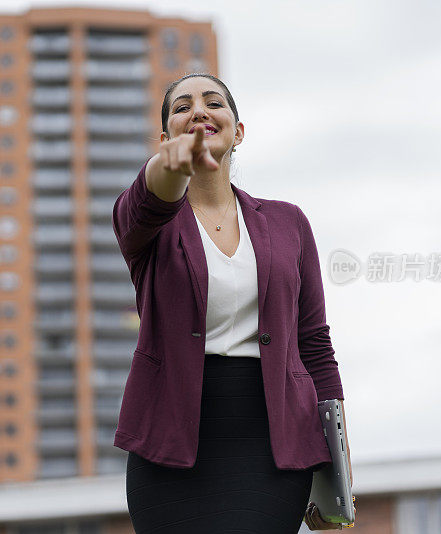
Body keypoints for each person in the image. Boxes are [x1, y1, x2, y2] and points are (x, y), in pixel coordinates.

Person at [112, 73, 351, 533]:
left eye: (213, 102)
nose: (199, 111)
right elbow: (146, 200)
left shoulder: (288, 222)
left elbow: (314, 343)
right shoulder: (146, 225)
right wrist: (172, 165)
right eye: (182, 107)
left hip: (271, 443)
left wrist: (336, 455)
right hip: (169, 446)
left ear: (238, 131)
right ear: (165, 139)